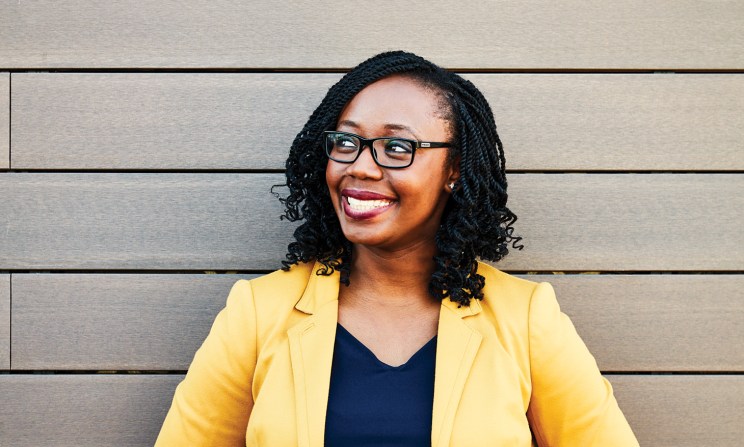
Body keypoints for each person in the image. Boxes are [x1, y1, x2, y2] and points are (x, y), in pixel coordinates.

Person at [155, 51, 639, 446]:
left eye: (397, 148)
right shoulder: (258, 314)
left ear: (454, 170)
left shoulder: (526, 320)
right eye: (346, 142)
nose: (360, 167)